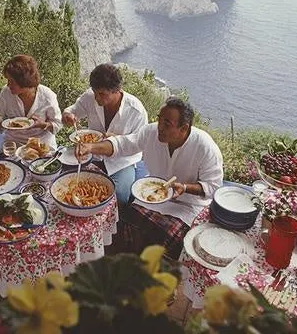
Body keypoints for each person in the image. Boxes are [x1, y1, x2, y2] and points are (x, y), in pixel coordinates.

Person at [76, 97, 223, 258]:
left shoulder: (205, 147)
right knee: (124, 222)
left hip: (187, 206)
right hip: (150, 195)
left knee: (169, 238)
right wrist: (91, 147)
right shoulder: (150, 132)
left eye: (167, 124)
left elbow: (213, 186)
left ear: (184, 128)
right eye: (160, 119)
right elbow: (122, 144)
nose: (160, 127)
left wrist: (185, 187)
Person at [62, 64, 148, 205]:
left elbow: (138, 144)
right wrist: (67, 115)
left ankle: (115, 224)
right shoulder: (90, 97)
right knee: (71, 185)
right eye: (95, 92)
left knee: (119, 195)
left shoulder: (136, 111)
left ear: (117, 90)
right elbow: (73, 110)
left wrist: (114, 140)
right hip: (91, 156)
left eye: (102, 94)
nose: (96, 98)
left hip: (121, 162)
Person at [0, 55, 62, 150]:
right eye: (8, 80)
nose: (8, 85)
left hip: (41, 146)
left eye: (12, 81)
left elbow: (58, 125)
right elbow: (0, 123)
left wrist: (43, 124)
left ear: (24, 81)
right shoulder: (6, 92)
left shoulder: (47, 96)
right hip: (13, 144)